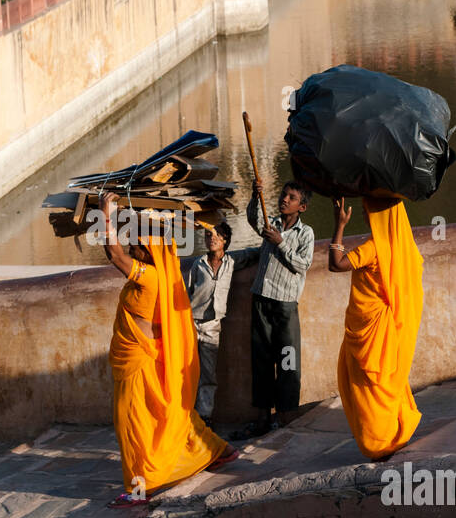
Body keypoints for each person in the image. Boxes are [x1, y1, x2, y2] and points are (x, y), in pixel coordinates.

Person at [99, 193, 235, 508]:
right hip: (143, 357)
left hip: (138, 362)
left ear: (149, 249)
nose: (130, 246)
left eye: (136, 242)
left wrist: (106, 214)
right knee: (168, 416)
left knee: (133, 423)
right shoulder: (159, 274)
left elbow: (114, 255)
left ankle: (139, 488)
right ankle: (216, 450)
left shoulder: (149, 277)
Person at [328, 196, 424, 459]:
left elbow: (335, 264)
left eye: (367, 210)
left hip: (369, 332)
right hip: (391, 329)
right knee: (388, 382)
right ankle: (394, 434)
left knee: (368, 388)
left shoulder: (372, 248)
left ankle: (378, 443)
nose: (364, 212)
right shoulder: (408, 250)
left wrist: (338, 225)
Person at [239, 180, 316, 439]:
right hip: (261, 298)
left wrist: (280, 242)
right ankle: (262, 418)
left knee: (287, 360)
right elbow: (253, 218)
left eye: (291, 197)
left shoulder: (306, 234)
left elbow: (303, 265)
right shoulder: (270, 223)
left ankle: (286, 416)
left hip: (285, 304)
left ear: (302, 207)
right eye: (284, 195)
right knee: (261, 360)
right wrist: (255, 193)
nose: (284, 199)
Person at [181, 221, 237, 421]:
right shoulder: (199, 264)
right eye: (207, 235)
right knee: (184, 370)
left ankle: (204, 417)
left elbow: (252, 254)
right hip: (191, 322)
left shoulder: (231, 263)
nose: (211, 238)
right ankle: (183, 415)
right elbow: (188, 291)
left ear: (225, 240)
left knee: (208, 373)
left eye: (216, 235)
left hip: (212, 325)